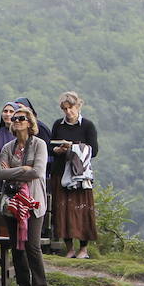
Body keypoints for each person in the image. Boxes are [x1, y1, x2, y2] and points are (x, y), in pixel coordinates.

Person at [0, 107, 49, 286]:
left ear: (30, 122)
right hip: (12, 202)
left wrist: (12, 169)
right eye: (14, 118)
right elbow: (0, 173)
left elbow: (37, 171)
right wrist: (23, 169)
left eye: (21, 118)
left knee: (32, 245)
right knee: (16, 245)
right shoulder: (7, 147)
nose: (17, 121)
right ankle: (23, 285)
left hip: (32, 202)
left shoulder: (39, 145)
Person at [49, 92, 99, 259]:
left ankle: (83, 248)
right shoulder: (58, 125)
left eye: (71, 108)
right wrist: (58, 150)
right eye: (65, 109)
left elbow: (94, 150)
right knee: (63, 210)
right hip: (61, 172)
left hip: (79, 174)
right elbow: (51, 147)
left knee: (82, 209)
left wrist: (75, 148)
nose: (68, 112)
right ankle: (69, 248)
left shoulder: (87, 126)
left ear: (78, 106)